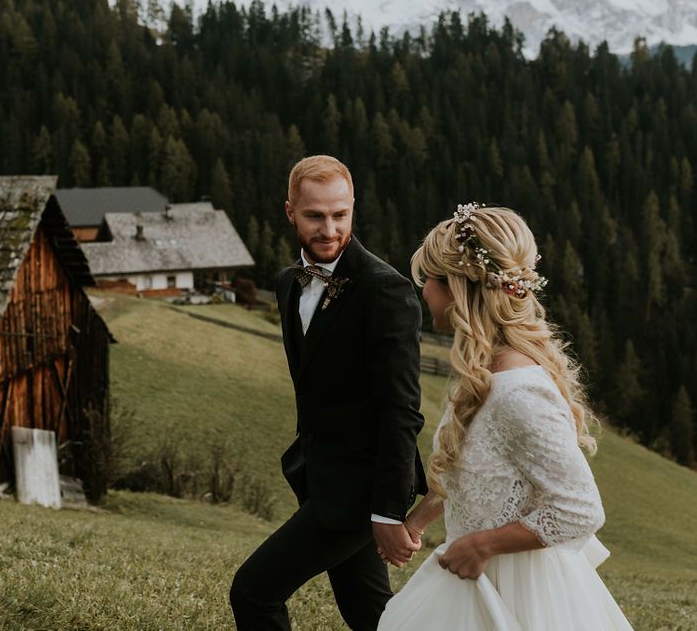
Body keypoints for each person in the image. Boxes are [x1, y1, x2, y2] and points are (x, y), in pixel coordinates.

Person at [378, 203, 634, 630]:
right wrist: (418, 520)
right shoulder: (484, 372)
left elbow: (580, 509)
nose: (423, 292)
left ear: (457, 290)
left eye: (428, 281)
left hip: (515, 585)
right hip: (472, 573)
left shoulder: (519, 393)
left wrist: (482, 545)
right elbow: (478, 469)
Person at [230, 155, 427, 630]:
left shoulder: (386, 291)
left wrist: (387, 511)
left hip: (361, 492)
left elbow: (401, 411)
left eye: (340, 214)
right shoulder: (285, 284)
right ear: (290, 212)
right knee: (372, 616)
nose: (329, 228)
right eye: (315, 215)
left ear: (353, 209)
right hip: (321, 478)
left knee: (254, 592)